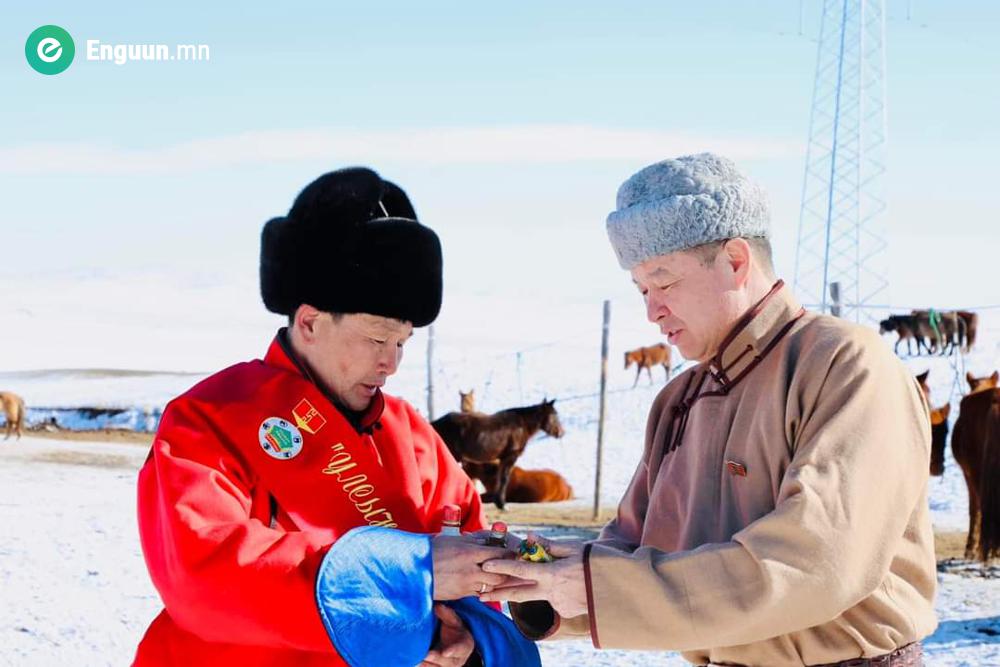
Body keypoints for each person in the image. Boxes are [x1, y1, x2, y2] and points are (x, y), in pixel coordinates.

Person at [481, 153, 936, 666]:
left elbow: (816, 562)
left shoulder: (844, 366)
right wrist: (543, 582)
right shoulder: (678, 400)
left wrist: (592, 585)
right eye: (642, 290)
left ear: (735, 261)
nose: (652, 311)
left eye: (664, 281)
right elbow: (631, 555)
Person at [133, 167, 539, 667]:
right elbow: (204, 574)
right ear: (309, 321)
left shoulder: (413, 437)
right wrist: (411, 572)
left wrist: (470, 640)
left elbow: (472, 578)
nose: (391, 362)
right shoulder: (209, 420)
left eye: (401, 342)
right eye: (375, 338)